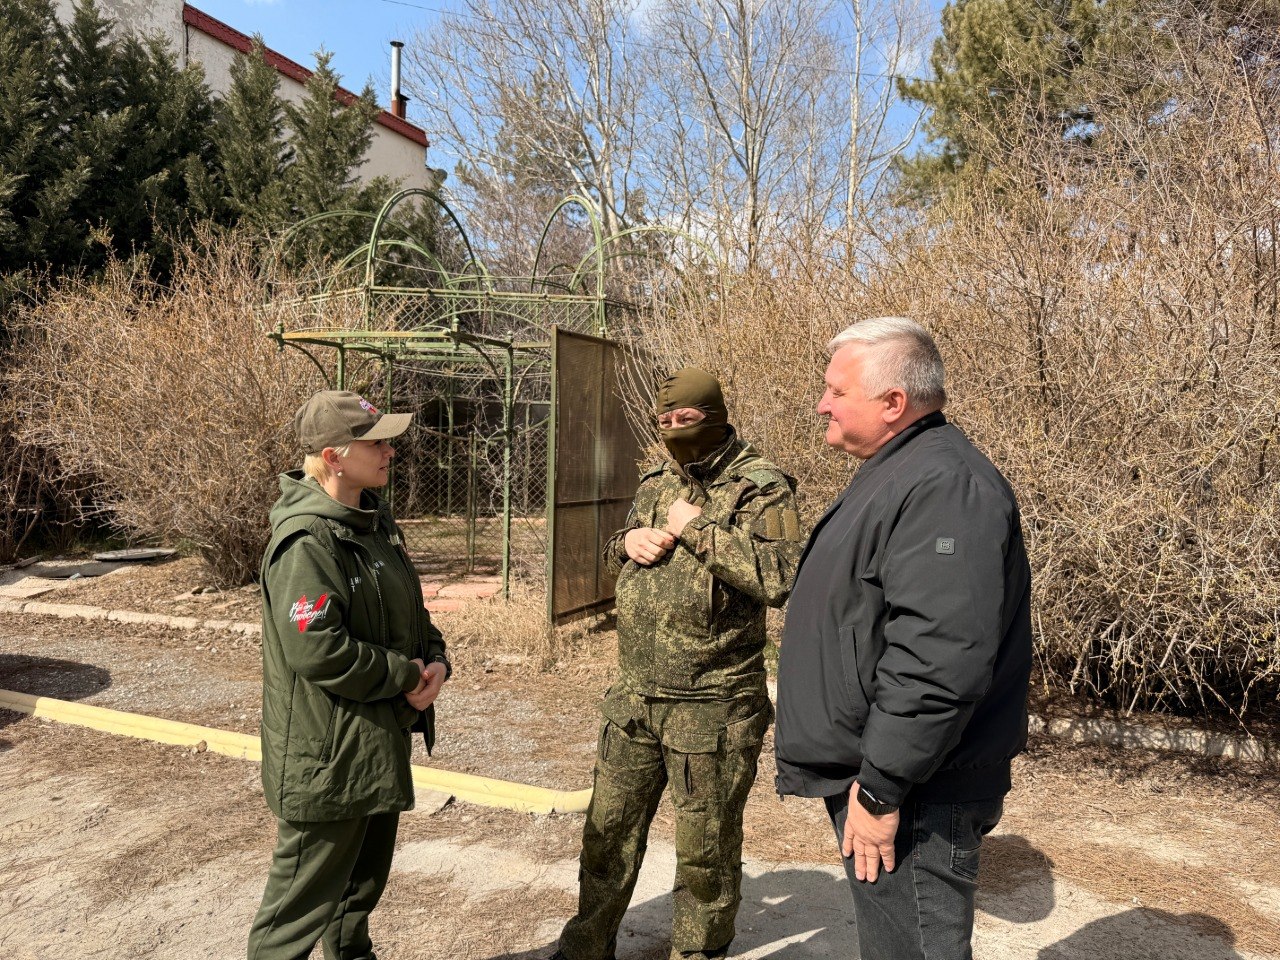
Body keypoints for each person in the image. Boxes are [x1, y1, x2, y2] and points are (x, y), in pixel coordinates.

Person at [774, 318, 1032, 960]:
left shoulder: (945, 486)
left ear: (894, 403)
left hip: (917, 790)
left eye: (836, 390)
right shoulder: (904, 471)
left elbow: (939, 658)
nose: (821, 403)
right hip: (895, 773)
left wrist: (884, 786)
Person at [553, 368, 804, 960]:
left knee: (704, 854)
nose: (672, 432)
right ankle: (585, 948)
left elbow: (776, 577)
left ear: (714, 417)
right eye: (663, 422)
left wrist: (699, 529)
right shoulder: (658, 479)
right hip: (635, 698)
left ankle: (697, 951)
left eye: (684, 420)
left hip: (712, 707)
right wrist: (626, 544)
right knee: (606, 838)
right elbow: (628, 543)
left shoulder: (760, 487)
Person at [247, 390, 451, 960]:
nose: (390, 451)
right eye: (377, 442)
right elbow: (317, 650)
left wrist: (433, 660)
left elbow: (412, 611)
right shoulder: (306, 541)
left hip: (375, 744)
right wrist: (402, 677)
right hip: (327, 757)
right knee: (295, 913)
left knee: (355, 895)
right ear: (334, 456)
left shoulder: (374, 524)